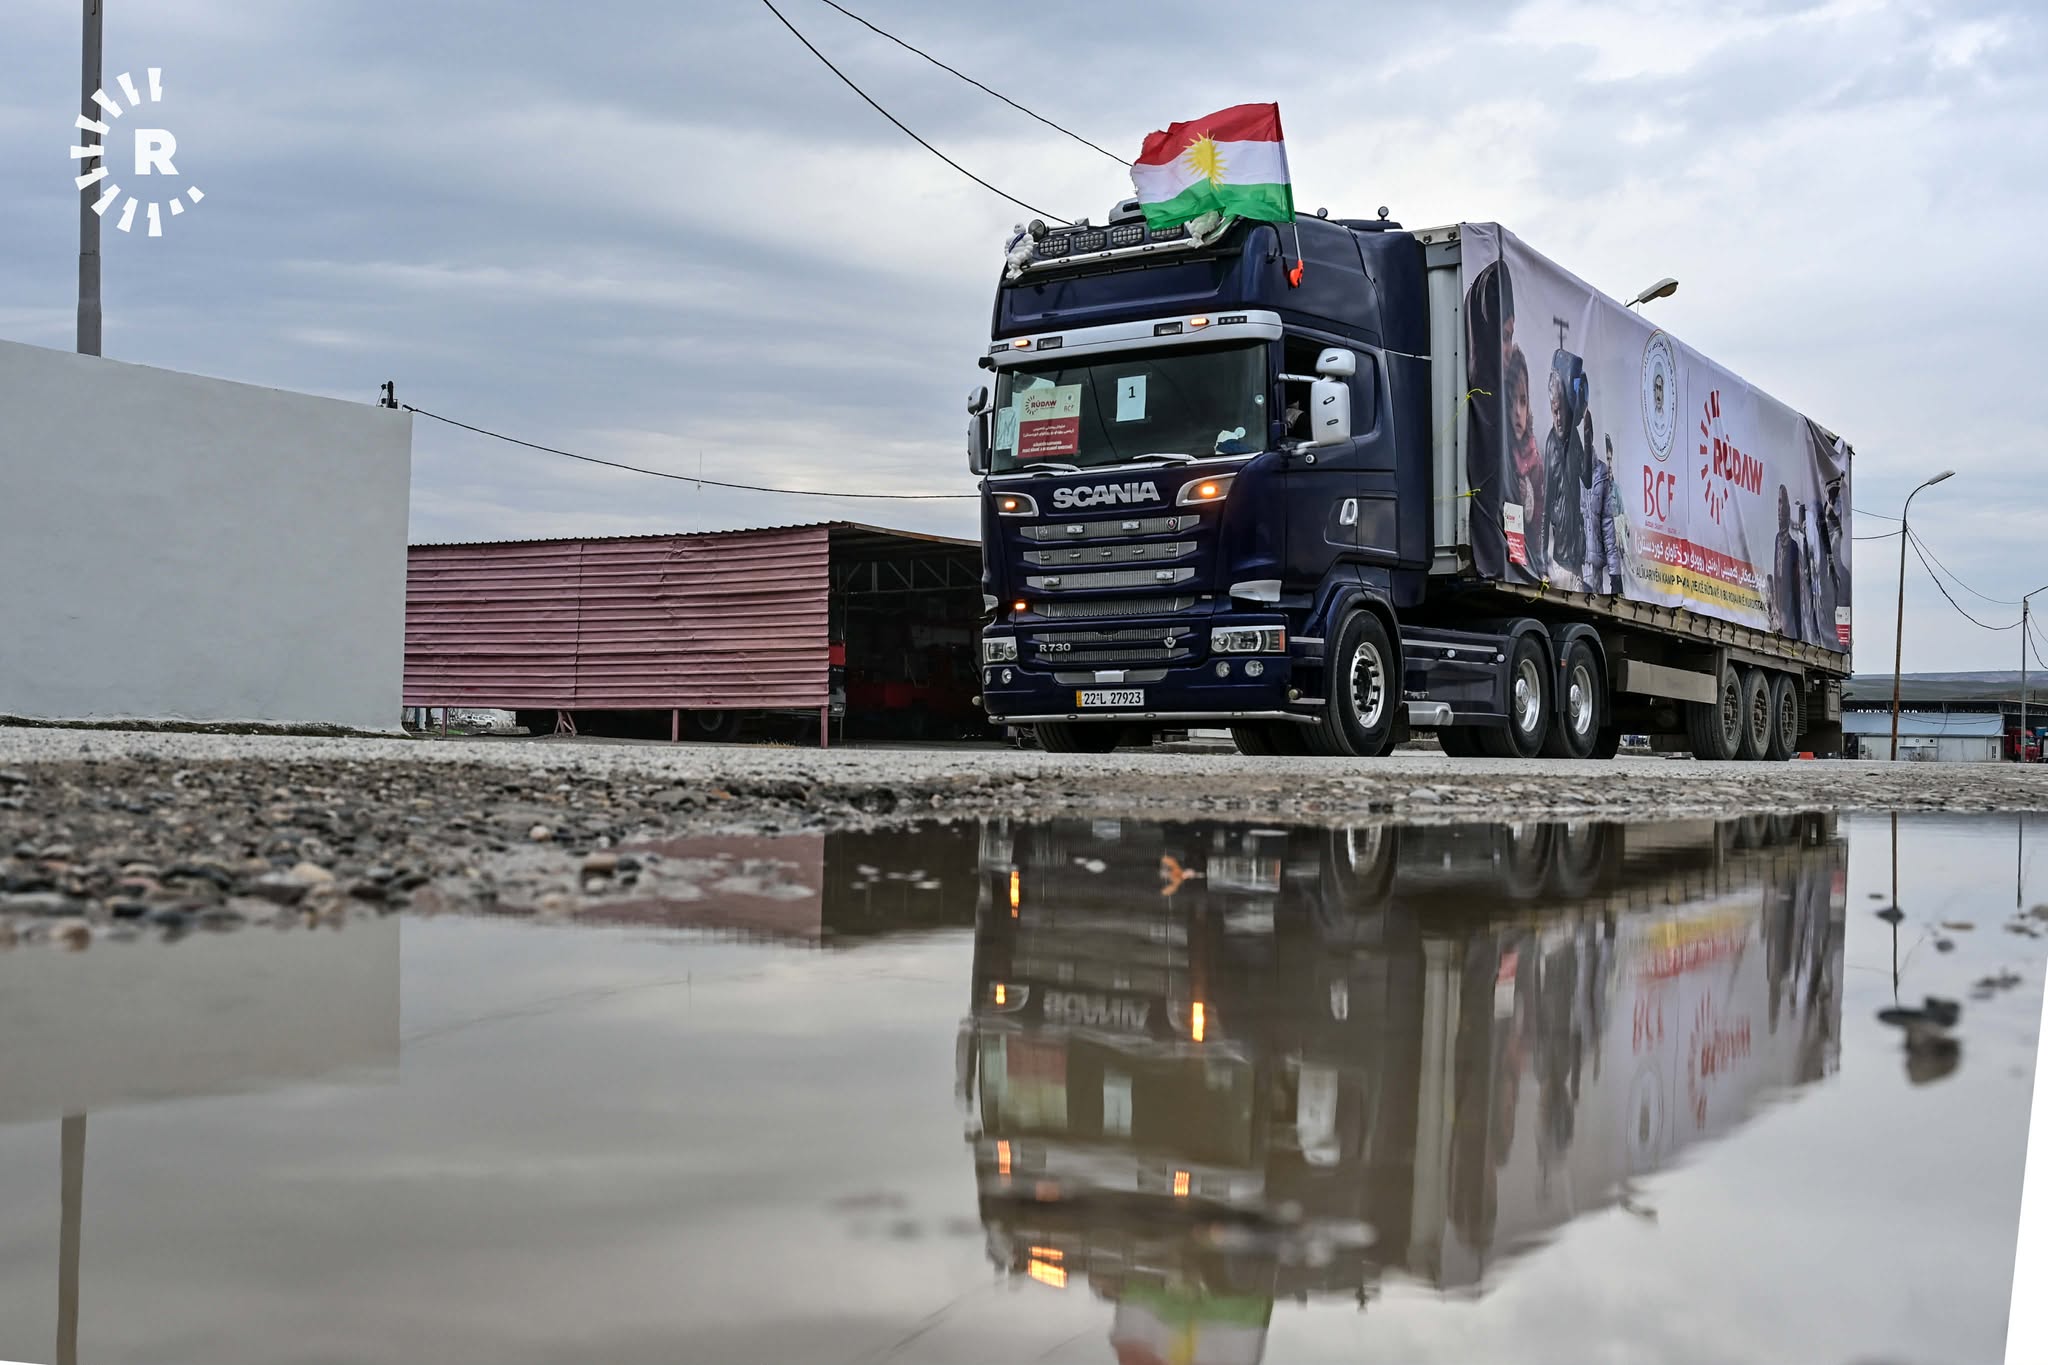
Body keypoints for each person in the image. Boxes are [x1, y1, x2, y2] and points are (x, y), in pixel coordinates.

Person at [1543, 356, 1591, 590]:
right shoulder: (1551, 445)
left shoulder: (1575, 440)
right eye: (1555, 412)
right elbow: (1545, 509)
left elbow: (1587, 479)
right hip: (1560, 561)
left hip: (1576, 558)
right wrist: (1542, 562)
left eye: (1562, 411)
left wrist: (1588, 439)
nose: (1559, 419)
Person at [1506, 348, 1545, 575]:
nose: (1517, 412)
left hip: (1527, 560)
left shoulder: (1534, 457)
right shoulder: (1502, 447)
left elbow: (1540, 521)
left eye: (1523, 401)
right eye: (1511, 401)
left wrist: (1528, 504)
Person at [1582, 435, 1623, 593]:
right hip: (1572, 567)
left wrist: (1615, 574)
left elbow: (1608, 527)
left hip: (1594, 573)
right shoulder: (1567, 466)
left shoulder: (1601, 473)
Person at [1772, 485, 1810, 643]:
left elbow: (1797, 590)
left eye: (1783, 504)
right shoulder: (1777, 540)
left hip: (1790, 623)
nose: (1780, 510)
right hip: (1778, 619)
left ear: (1788, 510)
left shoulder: (1794, 547)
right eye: (1778, 504)